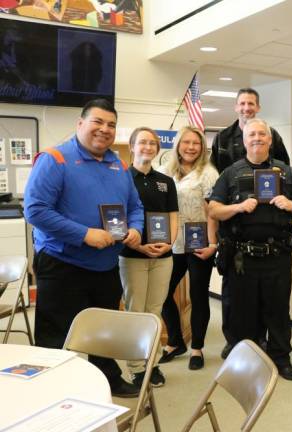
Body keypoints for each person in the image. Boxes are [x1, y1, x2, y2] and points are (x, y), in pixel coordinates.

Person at [24, 98, 144, 398]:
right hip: (62, 265)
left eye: (111, 125)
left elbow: (136, 207)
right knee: (55, 336)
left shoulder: (119, 164)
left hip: (105, 267)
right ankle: (49, 390)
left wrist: (135, 229)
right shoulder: (55, 159)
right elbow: (35, 210)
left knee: (104, 329)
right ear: (80, 124)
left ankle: (108, 377)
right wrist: (84, 234)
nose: (105, 129)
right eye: (98, 122)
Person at [208, 118, 292, 381]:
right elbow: (213, 209)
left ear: (270, 139)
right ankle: (248, 362)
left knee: (277, 311)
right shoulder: (230, 173)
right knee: (244, 313)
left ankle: (281, 359)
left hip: (277, 256)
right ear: (244, 140)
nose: (257, 138)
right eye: (252, 134)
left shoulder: (286, 172)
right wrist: (238, 208)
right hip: (243, 259)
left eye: (262, 134)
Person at [209, 87, 290, 358]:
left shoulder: (275, 142)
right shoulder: (222, 140)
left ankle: (274, 352)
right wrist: (236, 205)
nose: (246, 107)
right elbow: (215, 188)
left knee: (275, 305)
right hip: (236, 229)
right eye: (242, 103)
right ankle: (238, 347)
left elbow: (286, 178)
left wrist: (290, 203)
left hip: (272, 236)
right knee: (238, 303)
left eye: (251, 103)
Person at [119, 127, 178, 388]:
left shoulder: (165, 181)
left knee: (154, 312)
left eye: (152, 143)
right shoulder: (120, 179)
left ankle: (151, 363)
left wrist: (169, 243)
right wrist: (140, 246)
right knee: (136, 311)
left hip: (163, 257)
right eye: (142, 142)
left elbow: (173, 216)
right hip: (132, 256)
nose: (148, 147)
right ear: (132, 147)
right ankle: (135, 366)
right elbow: (116, 218)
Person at [157, 126, 218, 371]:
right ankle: (175, 341)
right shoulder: (164, 171)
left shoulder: (209, 174)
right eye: (186, 142)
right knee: (162, 292)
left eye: (196, 143)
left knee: (199, 295)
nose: (191, 147)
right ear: (178, 145)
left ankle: (197, 348)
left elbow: (212, 212)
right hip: (172, 241)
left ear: (202, 147)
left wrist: (213, 244)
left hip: (198, 242)